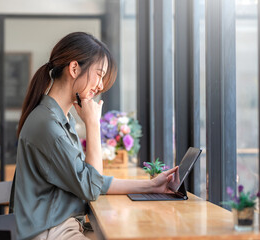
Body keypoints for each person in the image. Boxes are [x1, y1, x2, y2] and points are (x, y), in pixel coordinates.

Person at [12, 32, 179, 240]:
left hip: (60, 226)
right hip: (49, 232)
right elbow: (91, 187)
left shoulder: (60, 119)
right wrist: (92, 124)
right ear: (74, 69)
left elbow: (90, 179)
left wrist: (153, 186)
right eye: (99, 74)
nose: (101, 85)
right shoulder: (49, 125)